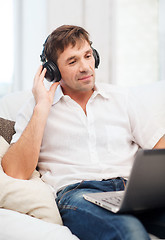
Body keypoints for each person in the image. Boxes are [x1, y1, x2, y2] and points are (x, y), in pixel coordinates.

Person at [2, 25, 165, 240]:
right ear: (53, 71)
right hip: (78, 195)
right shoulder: (36, 107)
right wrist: (41, 109)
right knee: (129, 231)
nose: (85, 67)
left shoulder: (122, 98)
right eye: (73, 61)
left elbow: (159, 148)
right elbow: (15, 171)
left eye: (88, 56)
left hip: (130, 191)